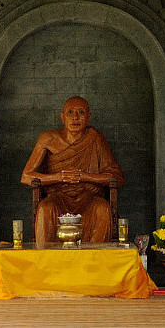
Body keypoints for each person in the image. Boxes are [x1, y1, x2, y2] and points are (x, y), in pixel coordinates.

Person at [21, 96, 125, 243]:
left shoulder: (96, 138)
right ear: (62, 117)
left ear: (88, 117)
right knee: (45, 208)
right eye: (70, 112)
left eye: (81, 113)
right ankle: (45, 261)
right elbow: (26, 176)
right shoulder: (48, 138)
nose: (75, 117)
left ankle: (94, 261)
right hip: (59, 197)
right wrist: (59, 177)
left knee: (103, 208)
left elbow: (117, 178)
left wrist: (84, 176)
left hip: (88, 198)